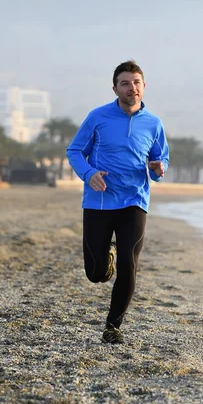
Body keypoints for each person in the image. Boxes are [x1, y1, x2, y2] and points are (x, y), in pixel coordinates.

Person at [66, 60, 169, 344]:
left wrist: (159, 169)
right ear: (115, 88)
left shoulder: (154, 123)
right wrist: (89, 174)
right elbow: (74, 150)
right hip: (99, 202)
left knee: (130, 264)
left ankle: (113, 327)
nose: (131, 88)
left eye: (136, 82)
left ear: (144, 86)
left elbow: (161, 158)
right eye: (125, 83)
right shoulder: (98, 117)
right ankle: (105, 259)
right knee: (95, 273)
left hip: (135, 201)